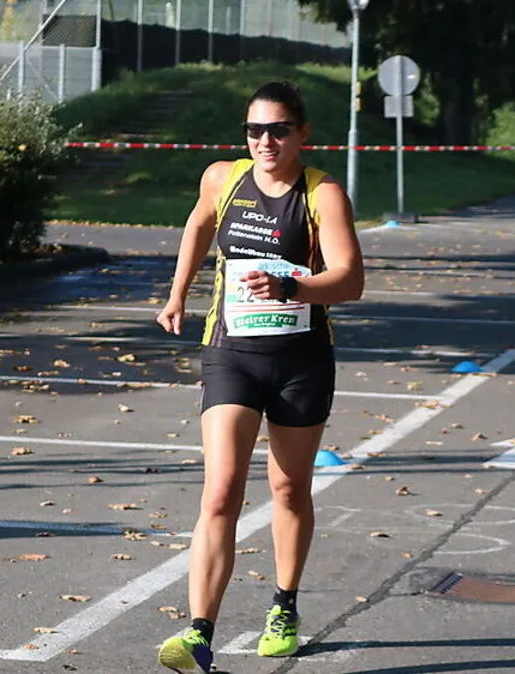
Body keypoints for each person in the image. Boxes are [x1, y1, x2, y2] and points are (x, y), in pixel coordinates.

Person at [154, 81, 364, 674]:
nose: (265, 141)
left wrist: (290, 285)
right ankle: (199, 633)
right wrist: (177, 295)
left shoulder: (323, 194)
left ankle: (284, 604)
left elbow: (350, 280)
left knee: (289, 490)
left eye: (277, 130)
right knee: (221, 490)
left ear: (302, 134)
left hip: (300, 360)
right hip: (232, 353)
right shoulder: (222, 178)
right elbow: (198, 227)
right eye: (254, 130)